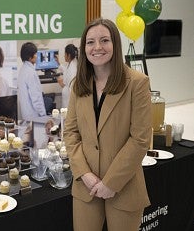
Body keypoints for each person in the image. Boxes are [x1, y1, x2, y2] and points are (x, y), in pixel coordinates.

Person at [63, 18, 152, 231]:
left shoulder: (137, 83)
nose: (97, 47)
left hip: (124, 185)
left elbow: (140, 139)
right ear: (84, 48)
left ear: (115, 44)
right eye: (90, 42)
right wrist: (84, 173)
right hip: (87, 186)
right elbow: (71, 133)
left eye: (104, 40)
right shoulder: (79, 85)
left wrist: (110, 182)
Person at [17, 42, 47, 120]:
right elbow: (36, 98)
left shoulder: (23, 70)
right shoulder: (31, 73)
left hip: (27, 114)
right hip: (35, 116)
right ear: (30, 57)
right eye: (35, 54)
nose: (37, 57)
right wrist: (44, 115)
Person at [57, 44, 78, 108]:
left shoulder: (73, 69)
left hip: (70, 103)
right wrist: (58, 62)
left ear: (68, 55)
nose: (64, 56)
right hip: (67, 100)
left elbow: (72, 90)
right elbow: (65, 69)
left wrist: (63, 85)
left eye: (65, 54)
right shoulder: (71, 64)